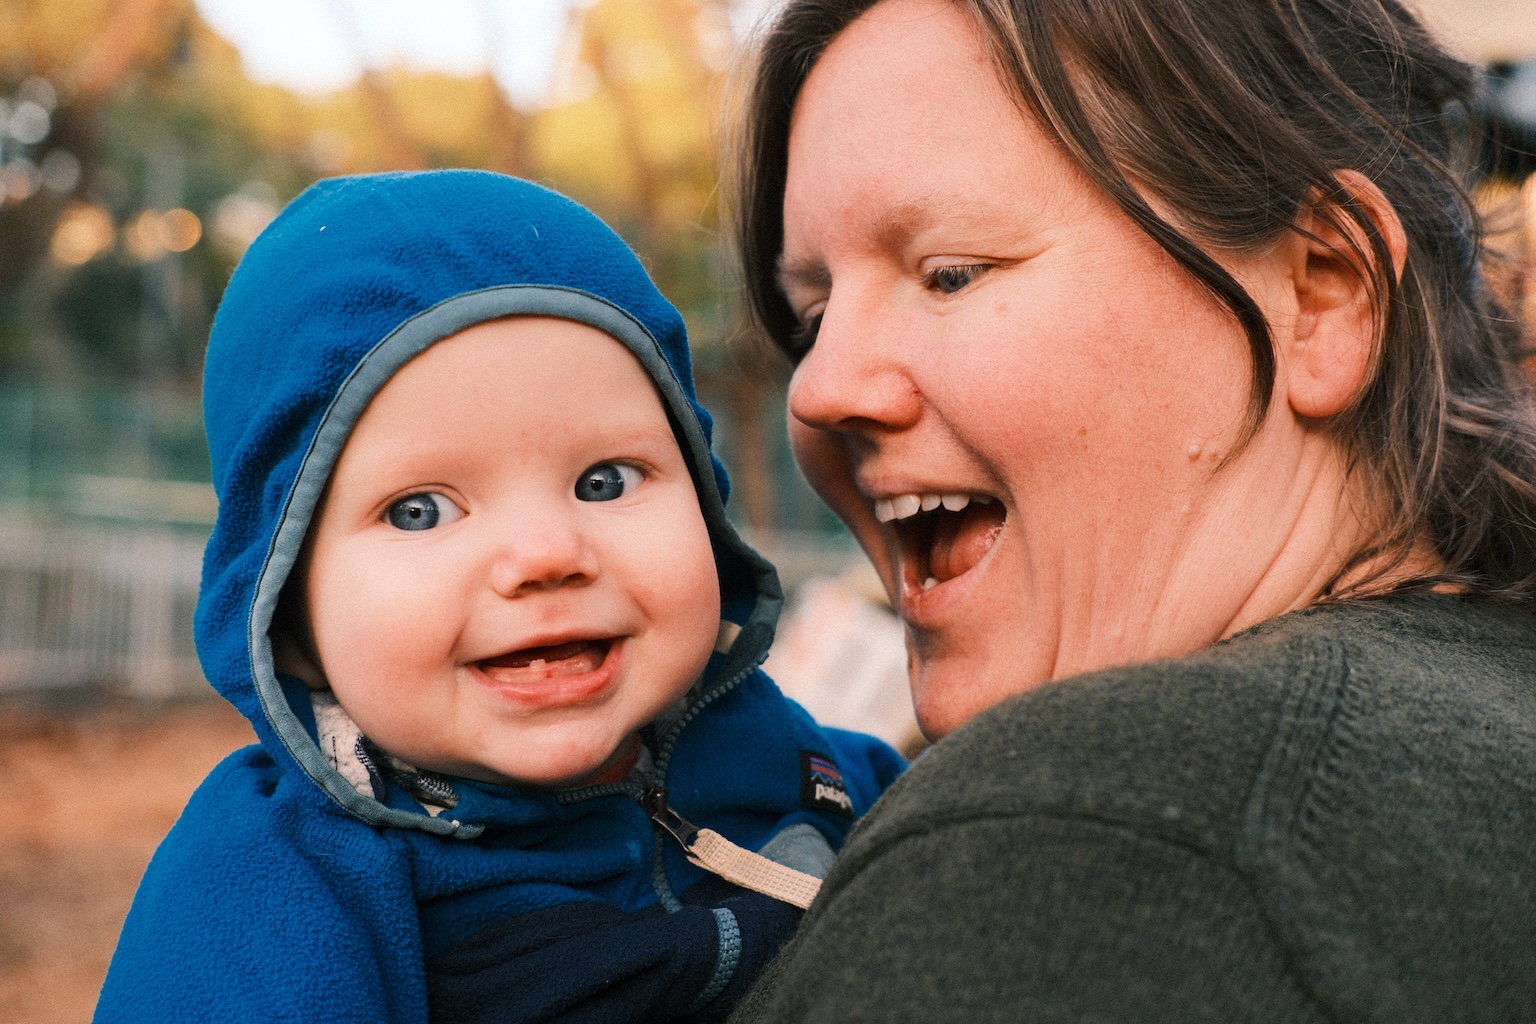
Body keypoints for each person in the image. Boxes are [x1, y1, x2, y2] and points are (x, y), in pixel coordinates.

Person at [724, 0, 1536, 1020]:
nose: (817, 388)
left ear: (1324, 292)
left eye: (952, 274)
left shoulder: (1090, 826)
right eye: (812, 317)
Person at [93, 170, 902, 1024]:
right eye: (420, 510)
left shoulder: (814, 772)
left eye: (605, 480)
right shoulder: (274, 887)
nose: (546, 555)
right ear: (286, 613)